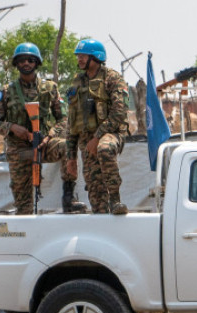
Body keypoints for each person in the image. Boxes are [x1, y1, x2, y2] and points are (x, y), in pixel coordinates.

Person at [0, 42, 87, 214]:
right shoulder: (7, 91)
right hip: (20, 150)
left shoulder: (49, 88)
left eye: (30, 60)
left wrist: (49, 136)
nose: (25, 63)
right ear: (16, 64)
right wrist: (12, 127)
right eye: (21, 60)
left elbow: (64, 119)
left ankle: (68, 198)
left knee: (67, 146)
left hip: (44, 144)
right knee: (24, 208)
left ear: (36, 63)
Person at [65, 38, 130, 215]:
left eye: (83, 56)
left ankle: (115, 199)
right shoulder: (76, 83)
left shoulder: (112, 78)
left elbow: (119, 113)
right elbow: (71, 121)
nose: (79, 59)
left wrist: (97, 137)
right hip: (86, 142)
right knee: (95, 192)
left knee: (105, 148)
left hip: (110, 133)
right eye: (78, 55)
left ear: (96, 57)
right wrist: (70, 157)